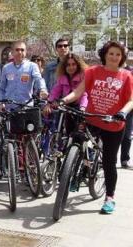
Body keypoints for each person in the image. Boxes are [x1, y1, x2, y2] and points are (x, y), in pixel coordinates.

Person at [61, 41, 133, 214]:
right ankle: (78, 168)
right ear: (105, 55)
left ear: (122, 57)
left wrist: (122, 112)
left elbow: (131, 100)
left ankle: (109, 197)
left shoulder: (127, 76)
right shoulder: (93, 71)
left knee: (109, 162)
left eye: (118, 54)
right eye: (111, 53)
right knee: (76, 140)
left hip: (113, 123)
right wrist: (62, 101)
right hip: (92, 118)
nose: (114, 57)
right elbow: (78, 92)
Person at [0, 40, 48, 107]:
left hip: (26, 107)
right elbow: (1, 88)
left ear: (26, 52)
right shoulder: (6, 68)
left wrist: (42, 89)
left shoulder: (32, 66)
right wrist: (0, 102)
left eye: (22, 50)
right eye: (17, 50)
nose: (20, 52)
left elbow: (39, 79)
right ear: (12, 52)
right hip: (9, 108)